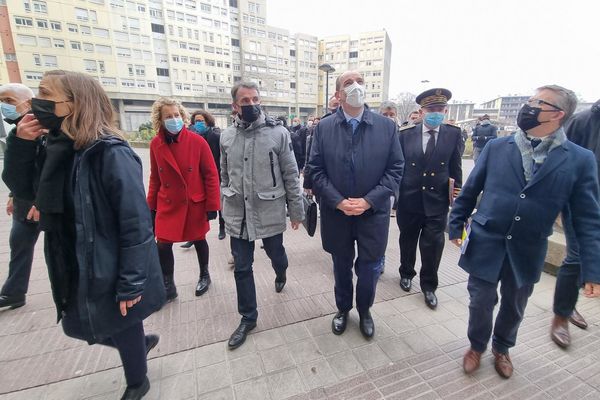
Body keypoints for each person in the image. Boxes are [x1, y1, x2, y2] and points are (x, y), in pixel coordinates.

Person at [2, 70, 166, 400]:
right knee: (76, 325)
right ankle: (138, 345)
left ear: (75, 104)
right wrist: (20, 143)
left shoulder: (110, 152)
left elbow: (135, 223)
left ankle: (138, 379)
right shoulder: (55, 147)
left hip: (109, 257)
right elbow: (22, 189)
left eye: (47, 95)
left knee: (121, 318)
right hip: (70, 253)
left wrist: (132, 279)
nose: (37, 102)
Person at [449, 85, 600, 379]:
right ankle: (476, 346)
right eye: (529, 101)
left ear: (558, 114)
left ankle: (502, 348)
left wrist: (593, 269)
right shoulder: (496, 147)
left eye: (537, 103)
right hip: (486, 241)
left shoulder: (579, 160)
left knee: (515, 305)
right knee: (480, 301)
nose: (528, 107)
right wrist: (455, 224)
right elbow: (470, 191)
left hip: (528, 249)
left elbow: (587, 218)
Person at [307, 70, 404, 338]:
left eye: (360, 81)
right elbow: (315, 170)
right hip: (337, 213)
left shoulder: (386, 127)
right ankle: (343, 309)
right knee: (341, 265)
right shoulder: (324, 127)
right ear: (339, 94)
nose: (356, 86)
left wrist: (368, 201)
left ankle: (365, 311)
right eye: (348, 83)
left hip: (373, 213)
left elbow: (396, 169)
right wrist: (337, 201)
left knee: (370, 267)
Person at [220, 81, 304, 350]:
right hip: (238, 214)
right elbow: (224, 173)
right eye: (245, 101)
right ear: (235, 105)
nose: (252, 104)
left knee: (275, 253)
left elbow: (290, 174)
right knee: (242, 267)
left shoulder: (278, 133)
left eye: (255, 99)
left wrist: (296, 211)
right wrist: (225, 197)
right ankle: (248, 317)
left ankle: (282, 271)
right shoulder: (226, 136)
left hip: (269, 210)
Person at [147, 98, 220, 301]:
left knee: (199, 239)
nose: (174, 119)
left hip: (193, 202)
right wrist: (150, 206)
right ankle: (168, 284)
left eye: (177, 115)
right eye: (168, 116)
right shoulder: (155, 144)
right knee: (162, 244)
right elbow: (155, 177)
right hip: (167, 203)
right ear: (160, 120)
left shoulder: (197, 141)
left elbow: (211, 174)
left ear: (183, 116)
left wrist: (212, 204)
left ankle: (205, 274)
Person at [396, 89, 462, 310]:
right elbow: (397, 166)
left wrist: (457, 193)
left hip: (437, 200)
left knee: (433, 245)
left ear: (445, 111)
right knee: (407, 239)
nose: (435, 114)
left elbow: (456, 166)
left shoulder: (453, 133)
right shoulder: (405, 133)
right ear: (421, 111)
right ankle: (406, 273)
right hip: (409, 199)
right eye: (430, 110)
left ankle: (429, 286)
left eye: (439, 110)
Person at [550, 97, 600, 348]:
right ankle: (562, 313)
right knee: (577, 256)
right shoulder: (583, 121)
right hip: (581, 203)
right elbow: (562, 160)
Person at [0, 83, 41, 310]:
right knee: (19, 243)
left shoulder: (40, 127)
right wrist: (13, 193)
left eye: (8, 100)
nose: (3, 106)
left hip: (44, 203)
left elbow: (49, 167)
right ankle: (14, 292)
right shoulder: (19, 129)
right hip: (25, 201)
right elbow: (18, 172)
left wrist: (41, 199)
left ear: (27, 102)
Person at [181, 110, 226, 246]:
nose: (198, 124)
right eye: (196, 121)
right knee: (197, 207)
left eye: (201, 121)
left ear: (208, 122)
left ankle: (222, 228)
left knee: (219, 204)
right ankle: (195, 237)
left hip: (215, 175)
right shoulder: (192, 137)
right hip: (197, 177)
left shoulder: (215, 136)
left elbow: (222, 157)